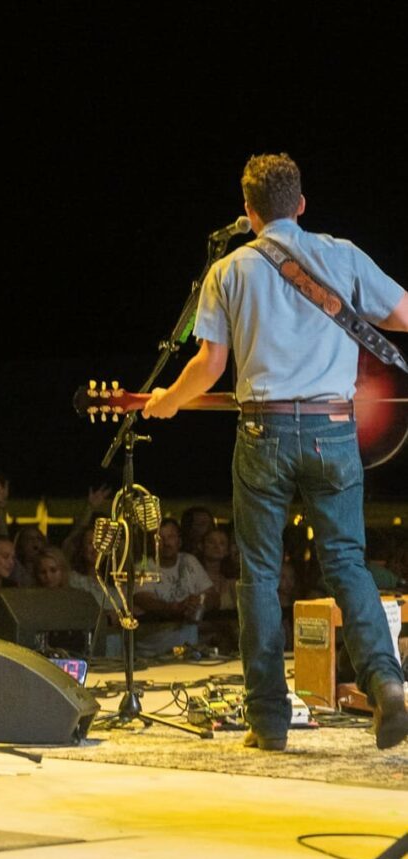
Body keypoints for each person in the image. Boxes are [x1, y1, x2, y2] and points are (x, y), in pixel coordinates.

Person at [144, 152, 408, 751]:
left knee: (260, 576)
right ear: (302, 205)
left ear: (248, 210)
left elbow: (208, 367)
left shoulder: (229, 270)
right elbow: (403, 314)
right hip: (334, 430)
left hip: (262, 432)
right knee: (346, 562)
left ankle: (268, 723)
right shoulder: (342, 255)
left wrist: (168, 401)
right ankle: (387, 685)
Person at [132, 518, 216, 656]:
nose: (166, 543)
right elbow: (143, 599)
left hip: (188, 652)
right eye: (160, 538)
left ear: (179, 541)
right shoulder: (142, 567)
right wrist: (175, 608)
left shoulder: (189, 561)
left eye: (170, 536)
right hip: (152, 654)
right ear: (152, 542)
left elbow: (213, 596)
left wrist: (199, 604)